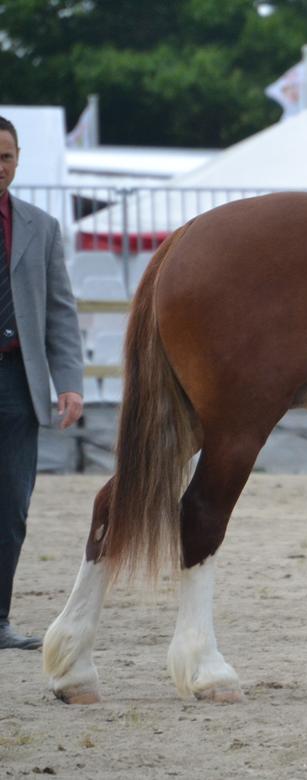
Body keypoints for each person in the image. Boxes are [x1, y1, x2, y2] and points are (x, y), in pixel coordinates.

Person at [0, 115, 84, 650]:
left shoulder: (42, 227)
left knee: (10, 508)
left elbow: (60, 311)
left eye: (6, 156)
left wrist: (69, 382)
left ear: (18, 160)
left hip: (16, 383)